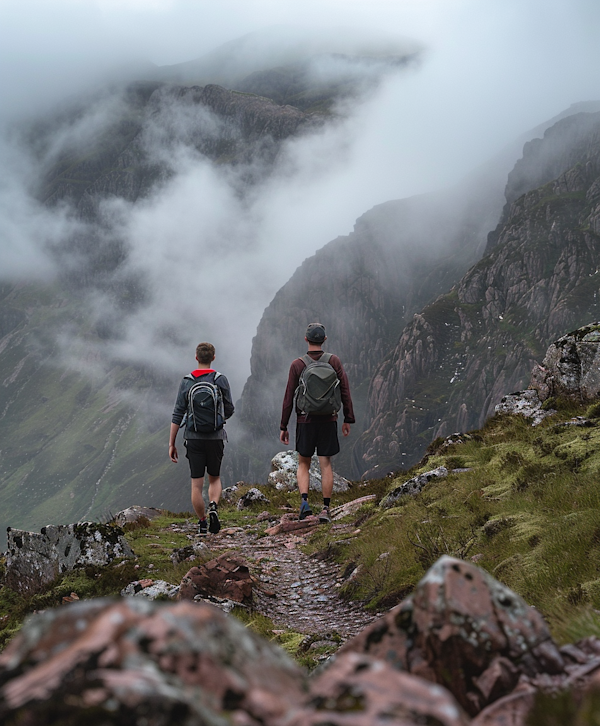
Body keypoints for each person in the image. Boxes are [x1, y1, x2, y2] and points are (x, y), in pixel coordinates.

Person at [280, 323, 355, 523]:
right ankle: (325, 509)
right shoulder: (334, 361)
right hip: (329, 419)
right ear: (325, 339)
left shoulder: (297, 364)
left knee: (303, 463)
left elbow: (289, 397)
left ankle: (304, 504)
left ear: (306, 340)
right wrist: (348, 418)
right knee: (325, 464)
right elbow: (345, 390)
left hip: (305, 420)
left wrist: (283, 426)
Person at [169, 342, 234, 536]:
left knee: (196, 484)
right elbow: (229, 408)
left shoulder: (187, 381)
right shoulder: (220, 379)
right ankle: (213, 506)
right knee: (214, 478)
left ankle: (202, 522)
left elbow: (177, 413)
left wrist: (172, 443)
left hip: (193, 438)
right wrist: (217, 420)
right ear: (213, 357)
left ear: (196, 357)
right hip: (215, 437)